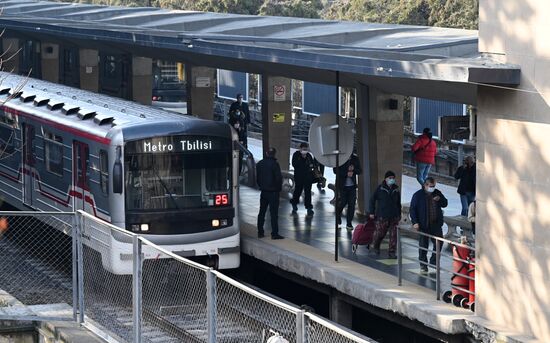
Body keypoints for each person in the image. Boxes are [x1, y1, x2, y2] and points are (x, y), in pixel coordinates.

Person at [410, 177, 448, 273]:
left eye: (434, 186)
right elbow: (412, 209)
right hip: (424, 224)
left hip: (436, 224)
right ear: (425, 185)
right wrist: (415, 222)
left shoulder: (437, 193)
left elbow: (445, 203)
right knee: (423, 245)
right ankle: (423, 264)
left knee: (439, 243)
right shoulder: (418, 195)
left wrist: (440, 199)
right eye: (431, 186)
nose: (432, 188)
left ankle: (433, 261)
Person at [369, 171, 402, 259]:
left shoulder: (396, 190)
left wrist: (399, 214)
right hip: (382, 215)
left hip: (394, 216)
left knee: (394, 235)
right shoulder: (380, 189)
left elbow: (398, 203)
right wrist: (371, 212)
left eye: (393, 178)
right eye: (389, 178)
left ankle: (392, 252)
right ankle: (375, 245)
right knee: (380, 233)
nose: (392, 179)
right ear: (385, 179)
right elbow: (372, 200)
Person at [256, 147, 284, 240]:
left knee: (262, 212)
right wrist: (278, 189)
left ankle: (260, 232)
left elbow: (258, 178)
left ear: (266, 153)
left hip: (264, 192)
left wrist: (261, 186)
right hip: (273, 193)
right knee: (274, 214)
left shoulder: (260, 164)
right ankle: (274, 234)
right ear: (274, 154)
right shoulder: (275, 164)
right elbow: (278, 178)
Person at [334, 153, 362, 230]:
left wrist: (353, 170)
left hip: (352, 186)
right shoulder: (340, 157)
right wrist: (346, 173)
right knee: (343, 202)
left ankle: (349, 223)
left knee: (352, 204)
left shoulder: (355, 158)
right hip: (342, 185)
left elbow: (359, 170)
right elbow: (335, 170)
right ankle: (338, 215)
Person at [290, 143, 315, 217]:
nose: (305, 151)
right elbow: (294, 164)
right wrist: (302, 158)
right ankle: (294, 203)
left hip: (308, 177)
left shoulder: (309, 156)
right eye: (303, 149)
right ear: (300, 149)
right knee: (298, 190)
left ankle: (309, 207)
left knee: (308, 192)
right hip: (299, 177)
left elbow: (312, 165)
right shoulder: (296, 155)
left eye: (306, 149)